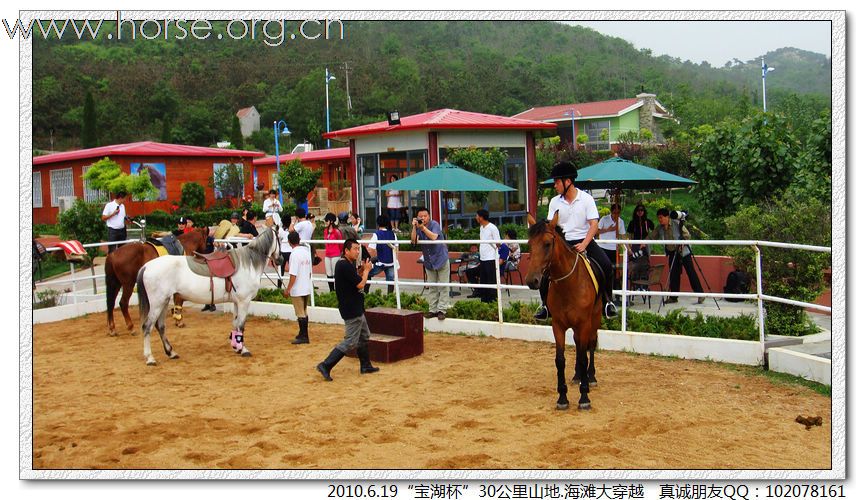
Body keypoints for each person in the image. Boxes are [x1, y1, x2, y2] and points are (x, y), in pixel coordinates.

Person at [534, 161, 617, 320]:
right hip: (562, 243)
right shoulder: (554, 202)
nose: (555, 185)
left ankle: (608, 302)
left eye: (557, 182)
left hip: (584, 240)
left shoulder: (586, 199)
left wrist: (585, 244)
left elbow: (594, 224)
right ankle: (545, 305)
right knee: (544, 271)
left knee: (606, 265)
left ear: (568, 181)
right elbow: (552, 226)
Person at [315, 239, 380, 381]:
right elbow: (360, 284)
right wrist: (367, 271)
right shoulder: (344, 266)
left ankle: (365, 365)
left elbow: (355, 277)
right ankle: (326, 365)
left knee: (364, 335)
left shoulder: (345, 264)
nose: (358, 252)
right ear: (346, 250)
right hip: (352, 309)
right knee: (350, 341)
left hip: (355, 307)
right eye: (355, 249)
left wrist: (362, 269)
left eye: (358, 249)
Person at [649, 208, 705, 304]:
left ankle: (700, 295)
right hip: (672, 252)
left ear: (667, 217)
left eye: (661, 217)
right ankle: (673, 297)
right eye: (658, 218)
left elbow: (687, 235)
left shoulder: (676, 223)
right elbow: (651, 236)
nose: (660, 220)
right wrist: (642, 243)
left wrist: (682, 242)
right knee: (674, 275)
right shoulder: (660, 228)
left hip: (684, 252)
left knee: (691, 273)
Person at [411, 207, 449, 320]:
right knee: (432, 286)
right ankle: (432, 310)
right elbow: (413, 241)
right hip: (429, 261)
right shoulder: (418, 226)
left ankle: (442, 310)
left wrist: (422, 228)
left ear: (429, 216)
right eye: (420, 216)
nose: (423, 218)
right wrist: (414, 226)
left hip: (441, 259)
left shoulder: (434, 224)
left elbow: (433, 237)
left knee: (443, 286)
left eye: (425, 216)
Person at [282, 231, 313, 344]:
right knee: (304, 311)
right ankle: (303, 334)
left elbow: (293, 275)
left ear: (290, 242)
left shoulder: (294, 255)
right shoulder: (306, 252)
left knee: (300, 312)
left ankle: (304, 336)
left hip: (298, 288)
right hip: (306, 286)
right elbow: (309, 272)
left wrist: (288, 289)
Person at [366, 214, 397, 295]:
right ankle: (390, 298)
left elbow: (371, 249)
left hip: (381, 262)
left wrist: (372, 259)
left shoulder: (377, 234)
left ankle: (365, 293)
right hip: (391, 262)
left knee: (367, 273)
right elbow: (396, 249)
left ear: (378, 223)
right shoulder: (393, 234)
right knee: (390, 280)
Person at [475, 209, 500, 303]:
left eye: (477, 216)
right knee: (484, 280)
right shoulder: (481, 228)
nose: (476, 218)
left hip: (491, 258)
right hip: (483, 258)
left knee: (491, 280)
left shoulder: (492, 228)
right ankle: (484, 300)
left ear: (481, 217)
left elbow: (498, 243)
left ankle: (492, 300)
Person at [323, 212, 342, 292]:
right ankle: (331, 290)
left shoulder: (336, 231)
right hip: (327, 255)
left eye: (326, 221)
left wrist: (339, 252)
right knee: (328, 273)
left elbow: (341, 244)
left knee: (335, 273)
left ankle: (337, 290)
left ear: (331, 221)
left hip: (335, 255)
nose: (325, 222)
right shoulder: (325, 231)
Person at [276, 220, 292, 289]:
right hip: (290, 251)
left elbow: (278, 236)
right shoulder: (291, 229)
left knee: (281, 270)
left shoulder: (281, 230)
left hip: (283, 251)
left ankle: (279, 287)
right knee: (292, 270)